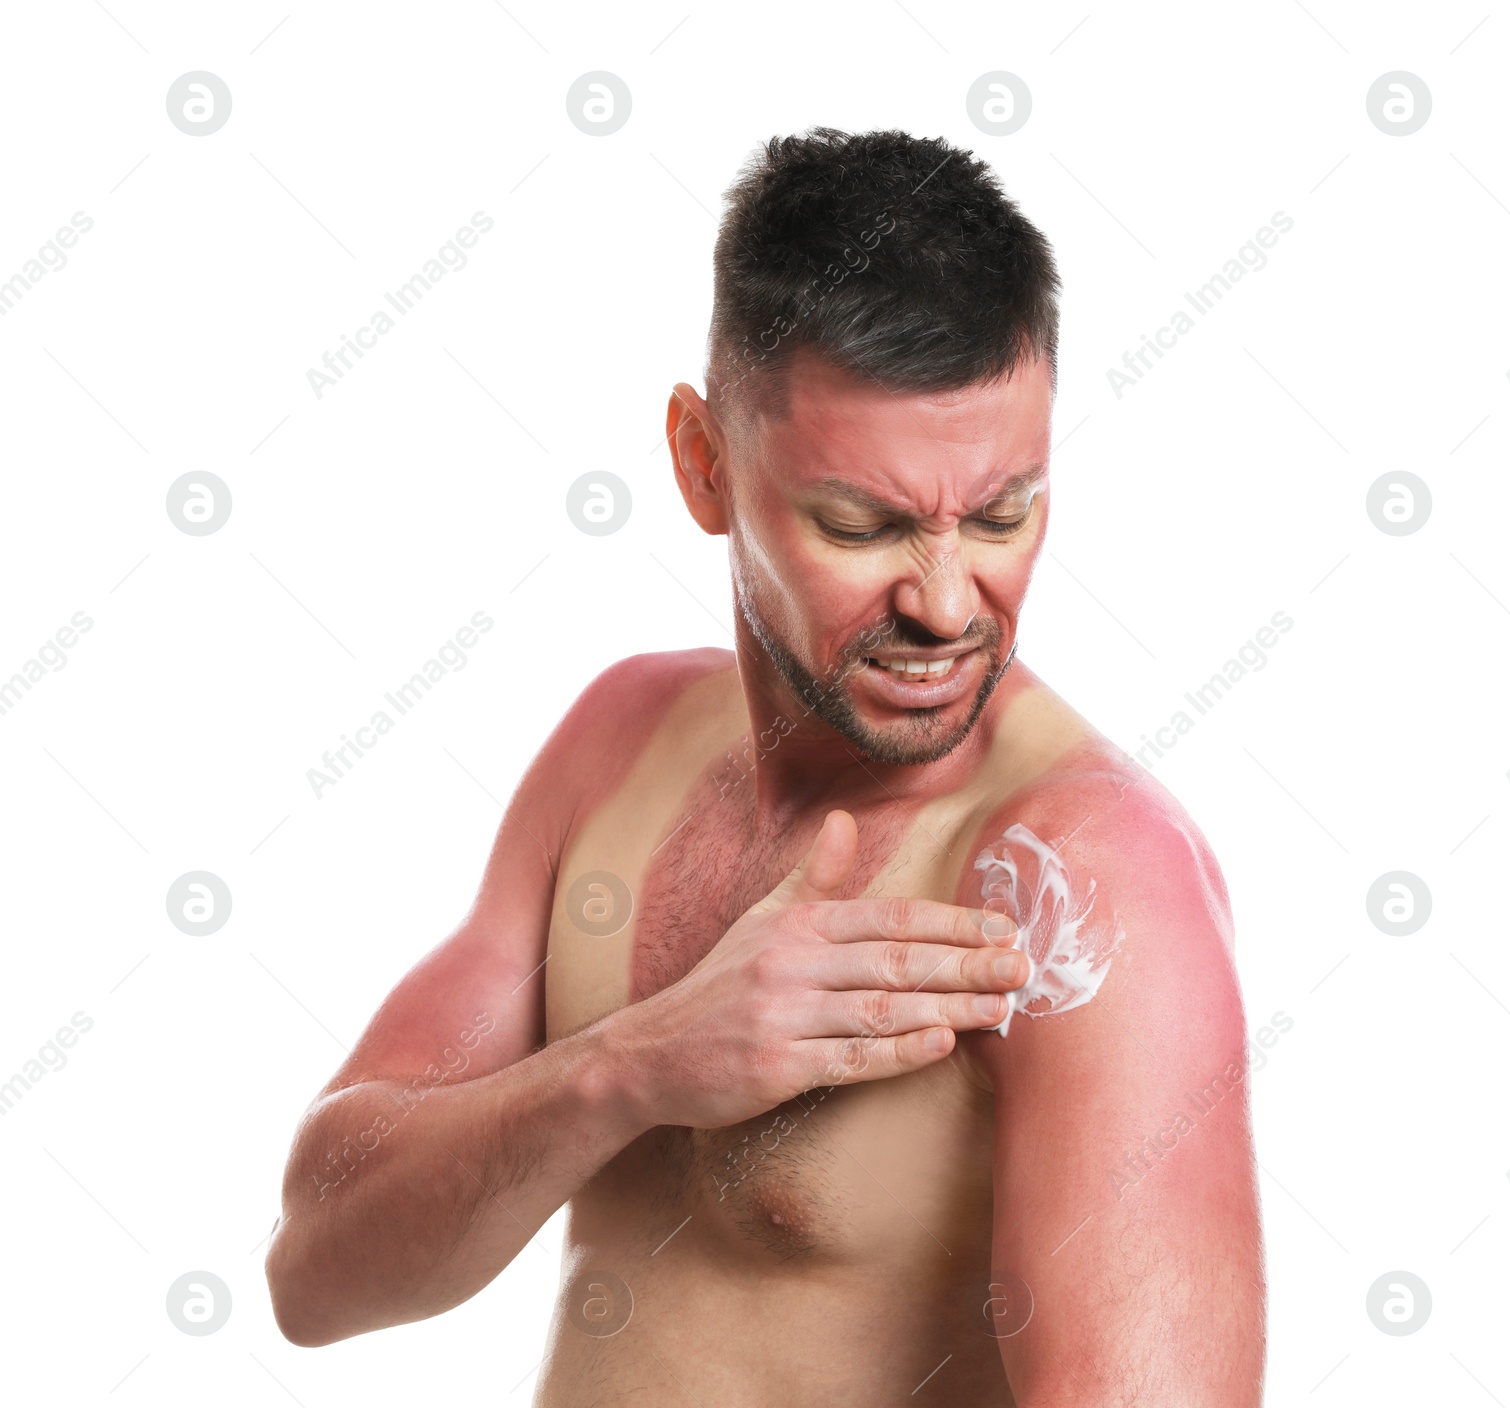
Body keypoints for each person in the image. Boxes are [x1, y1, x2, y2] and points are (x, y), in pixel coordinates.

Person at [265, 127, 1265, 1406]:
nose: (950, 602)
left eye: (1004, 512)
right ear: (704, 464)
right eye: (865, 522)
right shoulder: (617, 741)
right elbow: (316, 1271)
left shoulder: (1086, 882)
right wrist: (630, 1069)